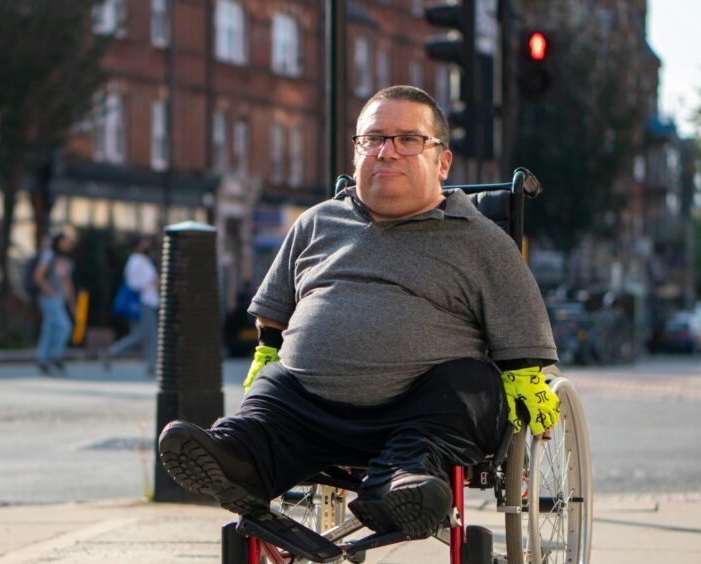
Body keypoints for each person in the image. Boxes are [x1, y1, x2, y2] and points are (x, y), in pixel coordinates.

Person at [158, 85, 560, 538]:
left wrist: (527, 381)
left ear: (443, 162)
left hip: (421, 414)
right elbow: (274, 314)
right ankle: (236, 458)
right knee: (271, 392)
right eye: (373, 139)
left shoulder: (480, 238)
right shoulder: (316, 222)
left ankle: (401, 487)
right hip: (307, 410)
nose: (387, 152)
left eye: (408, 139)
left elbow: (522, 331)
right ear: (356, 155)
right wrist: (268, 354)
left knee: (466, 383)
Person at [104, 236, 159, 375]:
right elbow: (133, 283)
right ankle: (151, 366)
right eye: (144, 241)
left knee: (141, 335)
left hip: (150, 302)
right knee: (150, 335)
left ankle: (112, 352)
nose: (147, 243)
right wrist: (151, 282)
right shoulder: (135, 261)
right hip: (142, 303)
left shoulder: (143, 260)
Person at [33, 232, 77, 375]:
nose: (67, 245)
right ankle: (56, 357)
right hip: (49, 298)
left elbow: (68, 283)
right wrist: (50, 292)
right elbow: (38, 276)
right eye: (65, 241)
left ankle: (43, 360)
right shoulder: (49, 256)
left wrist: (72, 304)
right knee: (64, 327)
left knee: (49, 329)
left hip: (59, 299)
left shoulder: (66, 260)